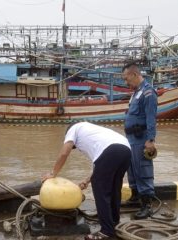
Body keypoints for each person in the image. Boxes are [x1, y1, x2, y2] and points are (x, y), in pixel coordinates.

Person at [42, 122, 131, 240]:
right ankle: (114, 222)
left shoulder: (73, 129)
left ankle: (106, 232)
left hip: (111, 151)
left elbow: (64, 152)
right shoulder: (91, 131)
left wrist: (53, 173)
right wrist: (87, 181)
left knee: (101, 192)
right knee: (114, 188)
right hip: (126, 150)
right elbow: (100, 164)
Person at [122, 62, 158, 219]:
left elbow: (151, 118)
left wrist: (151, 140)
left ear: (134, 75)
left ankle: (147, 205)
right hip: (131, 139)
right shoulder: (136, 92)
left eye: (126, 78)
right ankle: (135, 197)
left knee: (143, 170)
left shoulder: (148, 93)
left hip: (141, 139)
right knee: (132, 169)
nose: (126, 82)